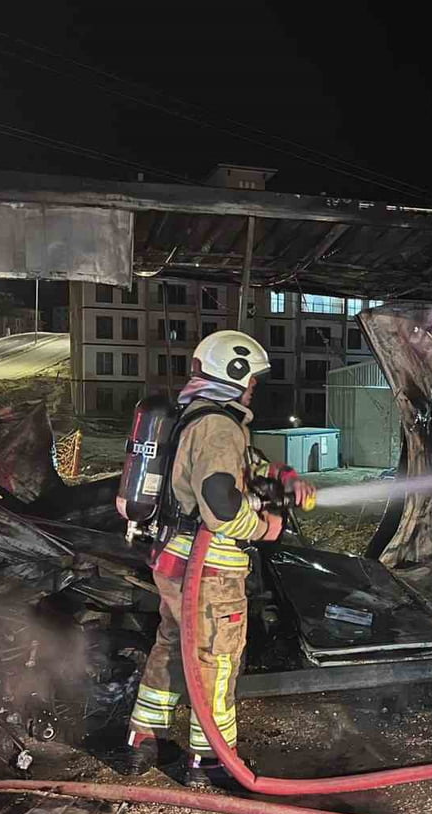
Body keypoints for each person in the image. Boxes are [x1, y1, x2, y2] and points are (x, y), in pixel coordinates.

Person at [125, 330, 316, 783]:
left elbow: (235, 464)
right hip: (209, 571)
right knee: (219, 658)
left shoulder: (195, 415)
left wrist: (281, 474)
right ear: (234, 374)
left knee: (174, 647)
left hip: (174, 559)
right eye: (252, 378)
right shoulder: (219, 426)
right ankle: (209, 759)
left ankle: (142, 739)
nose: (254, 387)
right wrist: (265, 527)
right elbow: (220, 503)